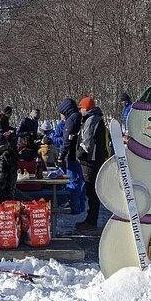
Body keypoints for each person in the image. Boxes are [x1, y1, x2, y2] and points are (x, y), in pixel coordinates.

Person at [76, 96, 109, 230]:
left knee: (91, 191)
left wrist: (79, 153)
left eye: (81, 108)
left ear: (86, 108)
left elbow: (87, 142)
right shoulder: (98, 118)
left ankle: (91, 221)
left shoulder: (91, 120)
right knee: (92, 191)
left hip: (91, 161)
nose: (80, 111)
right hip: (97, 159)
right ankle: (91, 219)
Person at [0, 130, 18, 204]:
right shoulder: (11, 153)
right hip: (10, 190)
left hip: (2, 194)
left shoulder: (2, 158)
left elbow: (1, 178)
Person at [58, 99, 81, 170]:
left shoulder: (71, 120)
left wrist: (61, 155)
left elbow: (67, 139)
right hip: (79, 152)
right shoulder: (79, 116)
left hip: (73, 154)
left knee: (74, 177)